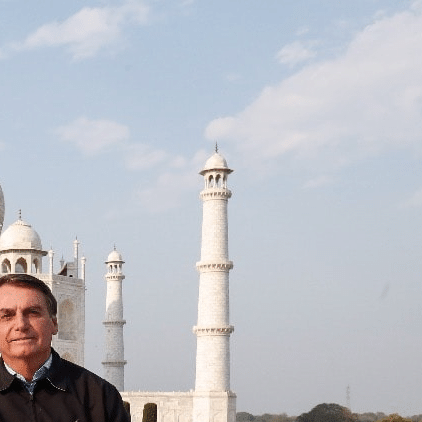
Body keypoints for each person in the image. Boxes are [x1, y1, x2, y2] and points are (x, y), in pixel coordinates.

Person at [0, 273, 130, 421]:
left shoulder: (99, 396)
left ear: (54, 324)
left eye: (33, 313)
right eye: (7, 316)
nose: (21, 325)